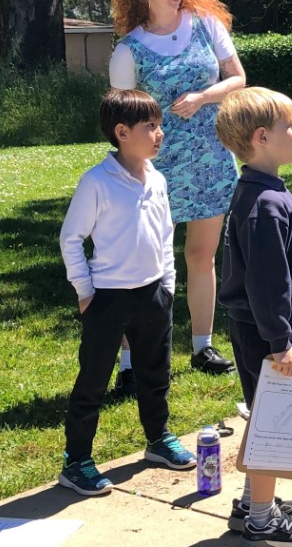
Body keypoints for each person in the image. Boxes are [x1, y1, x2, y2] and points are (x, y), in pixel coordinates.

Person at [109, 0, 247, 383]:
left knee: (201, 256)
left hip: (210, 159)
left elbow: (238, 78)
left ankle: (203, 347)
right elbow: (120, 117)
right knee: (143, 261)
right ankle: (132, 363)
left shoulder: (207, 26)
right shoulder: (128, 51)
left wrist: (203, 97)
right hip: (154, 166)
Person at [58, 89, 197, 496]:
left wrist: (168, 285)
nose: (160, 134)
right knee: (94, 380)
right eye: (149, 127)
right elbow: (71, 238)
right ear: (121, 132)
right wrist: (85, 291)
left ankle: (158, 438)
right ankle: (77, 460)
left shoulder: (157, 178)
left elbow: (165, 235)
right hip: (109, 299)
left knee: (155, 373)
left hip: (154, 294)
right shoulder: (97, 182)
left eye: (159, 125)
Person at [214, 87, 292, 547]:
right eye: (291, 127)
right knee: (273, 425)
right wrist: (280, 341)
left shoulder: (260, 190)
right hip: (266, 333)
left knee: (264, 414)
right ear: (262, 137)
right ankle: (262, 523)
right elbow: (266, 282)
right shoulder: (264, 205)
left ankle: (248, 503)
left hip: (257, 328)